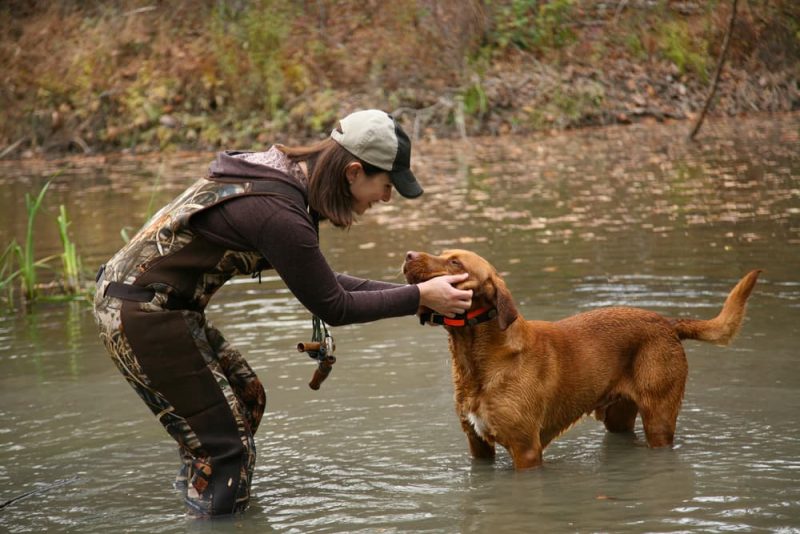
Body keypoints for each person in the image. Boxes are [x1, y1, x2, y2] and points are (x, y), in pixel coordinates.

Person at [92, 109, 473, 517]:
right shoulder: (279, 212)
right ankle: (215, 515)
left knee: (247, 398)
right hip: (141, 311)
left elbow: (324, 282)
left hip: (161, 307)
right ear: (353, 172)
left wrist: (420, 296)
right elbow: (334, 305)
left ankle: (201, 498)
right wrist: (418, 297)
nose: (385, 198)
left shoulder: (283, 179)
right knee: (226, 451)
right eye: (386, 185)